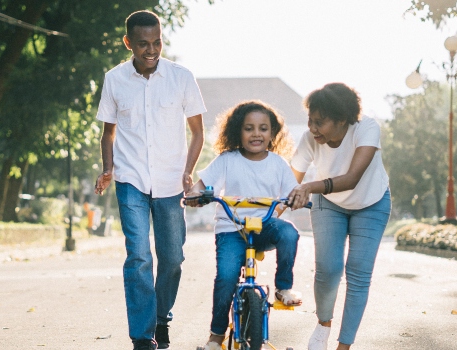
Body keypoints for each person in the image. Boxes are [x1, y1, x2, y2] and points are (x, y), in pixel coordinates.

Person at [93, 10, 206, 350]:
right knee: (139, 256)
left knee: (172, 259)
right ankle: (143, 336)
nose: (151, 50)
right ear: (129, 43)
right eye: (143, 44)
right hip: (130, 180)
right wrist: (108, 168)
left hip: (172, 183)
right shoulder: (115, 79)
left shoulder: (181, 77)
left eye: (156, 42)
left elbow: (198, 133)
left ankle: (161, 318)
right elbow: (107, 135)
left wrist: (188, 170)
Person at [185, 101, 303, 350]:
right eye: (249, 128)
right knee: (227, 277)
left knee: (289, 233)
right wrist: (196, 194)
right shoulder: (227, 159)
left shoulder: (278, 163)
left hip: (265, 226)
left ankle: (283, 287)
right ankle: (216, 336)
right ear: (238, 131)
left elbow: (293, 192)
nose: (256, 134)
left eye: (263, 128)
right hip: (232, 228)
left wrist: (298, 197)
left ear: (272, 133)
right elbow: (201, 185)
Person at [286, 83, 391, 350]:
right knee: (328, 269)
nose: (312, 128)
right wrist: (269, 211)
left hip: (371, 203)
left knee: (358, 272)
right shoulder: (311, 139)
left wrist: (308, 187)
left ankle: (344, 346)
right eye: (310, 120)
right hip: (329, 204)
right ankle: (323, 325)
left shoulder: (367, 128)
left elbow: (352, 179)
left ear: (342, 119)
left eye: (320, 122)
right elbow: (290, 181)